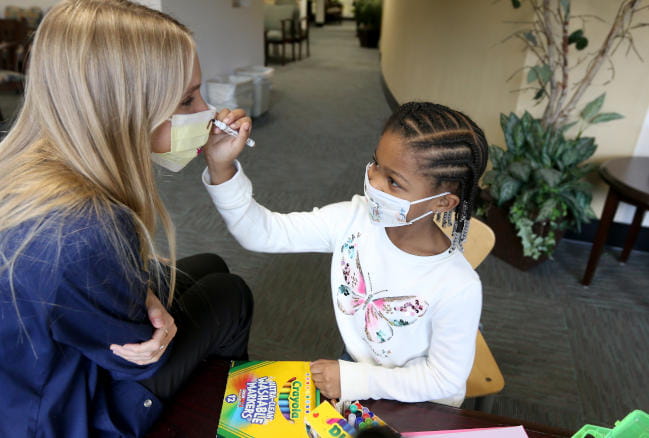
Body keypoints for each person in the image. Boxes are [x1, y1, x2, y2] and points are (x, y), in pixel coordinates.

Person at [0, 1, 253, 436]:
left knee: (210, 264)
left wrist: (140, 291)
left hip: (28, 375)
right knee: (230, 294)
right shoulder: (84, 228)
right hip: (65, 417)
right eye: (188, 98)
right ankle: (223, 415)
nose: (207, 110)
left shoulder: (21, 170)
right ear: (123, 110)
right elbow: (135, 358)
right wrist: (141, 301)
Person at [202, 101, 488, 407]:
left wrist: (355, 379)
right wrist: (221, 166)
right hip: (355, 367)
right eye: (376, 164)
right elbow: (262, 232)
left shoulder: (459, 286)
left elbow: (442, 379)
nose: (374, 183)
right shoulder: (353, 219)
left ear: (442, 203)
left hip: (420, 403)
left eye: (394, 182)